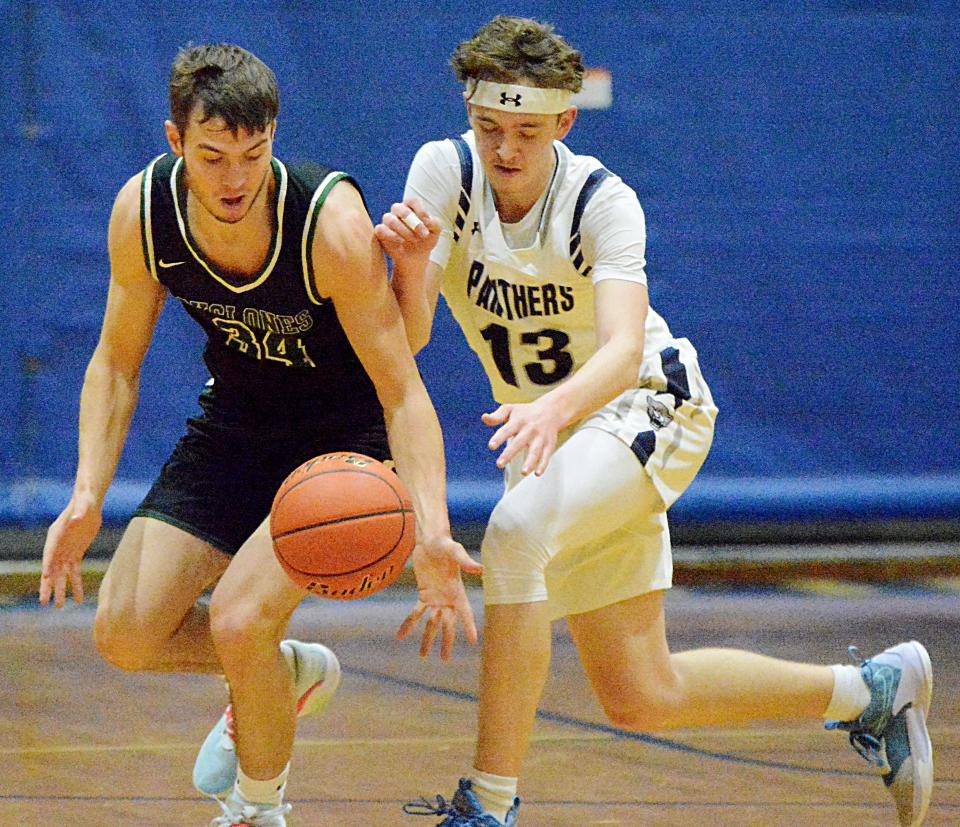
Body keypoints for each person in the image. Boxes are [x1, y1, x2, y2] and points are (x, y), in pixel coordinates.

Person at [375, 15, 933, 827]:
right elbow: (412, 335)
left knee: (513, 532)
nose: (504, 150)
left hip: (643, 404)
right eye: (489, 127)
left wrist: (551, 409)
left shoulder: (602, 199)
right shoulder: (441, 172)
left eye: (526, 131)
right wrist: (414, 262)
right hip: (558, 437)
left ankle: (487, 805)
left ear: (564, 121)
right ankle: (871, 693)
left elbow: (620, 347)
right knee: (642, 692)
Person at [39, 43, 478, 827]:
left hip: (340, 438)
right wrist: (84, 495)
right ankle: (282, 674)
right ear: (176, 142)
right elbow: (114, 362)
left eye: (253, 153)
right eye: (212, 156)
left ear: (273, 137)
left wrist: (433, 530)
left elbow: (403, 388)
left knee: (240, 618)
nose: (235, 178)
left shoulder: (327, 224)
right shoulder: (143, 214)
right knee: (125, 635)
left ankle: (256, 807)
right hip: (238, 421)